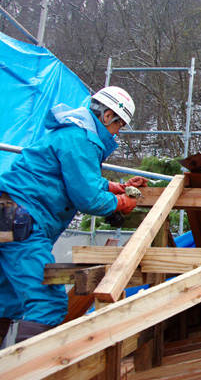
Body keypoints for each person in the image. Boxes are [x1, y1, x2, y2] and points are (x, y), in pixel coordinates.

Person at [0, 86, 147, 344]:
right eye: (119, 125)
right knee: (48, 303)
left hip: (10, 215)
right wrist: (123, 202)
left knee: (6, 299)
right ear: (107, 116)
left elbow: (77, 179)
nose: (118, 131)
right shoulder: (82, 139)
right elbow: (88, 198)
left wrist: (116, 187)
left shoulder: (72, 132)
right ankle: (26, 371)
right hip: (24, 220)